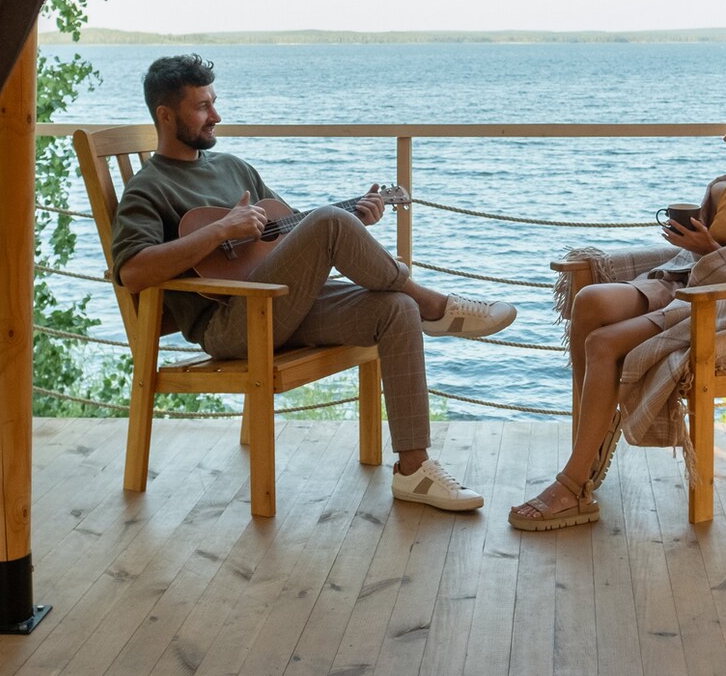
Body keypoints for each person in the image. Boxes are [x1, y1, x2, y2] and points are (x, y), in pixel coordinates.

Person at [110, 54, 516, 512]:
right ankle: (435, 305)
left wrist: (356, 220)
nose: (216, 116)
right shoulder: (149, 188)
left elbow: (289, 234)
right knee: (333, 225)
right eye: (202, 106)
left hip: (278, 306)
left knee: (393, 308)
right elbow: (132, 271)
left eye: (214, 102)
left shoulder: (233, 166)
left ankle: (413, 470)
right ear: (166, 115)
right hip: (231, 326)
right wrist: (221, 230)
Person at [509, 91, 726, 530]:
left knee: (603, 343)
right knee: (589, 301)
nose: (725, 136)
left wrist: (708, 251)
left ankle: (573, 484)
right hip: (687, 280)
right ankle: (591, 443)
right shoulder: (723, 186)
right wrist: (693, 246)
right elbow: (705, 253)